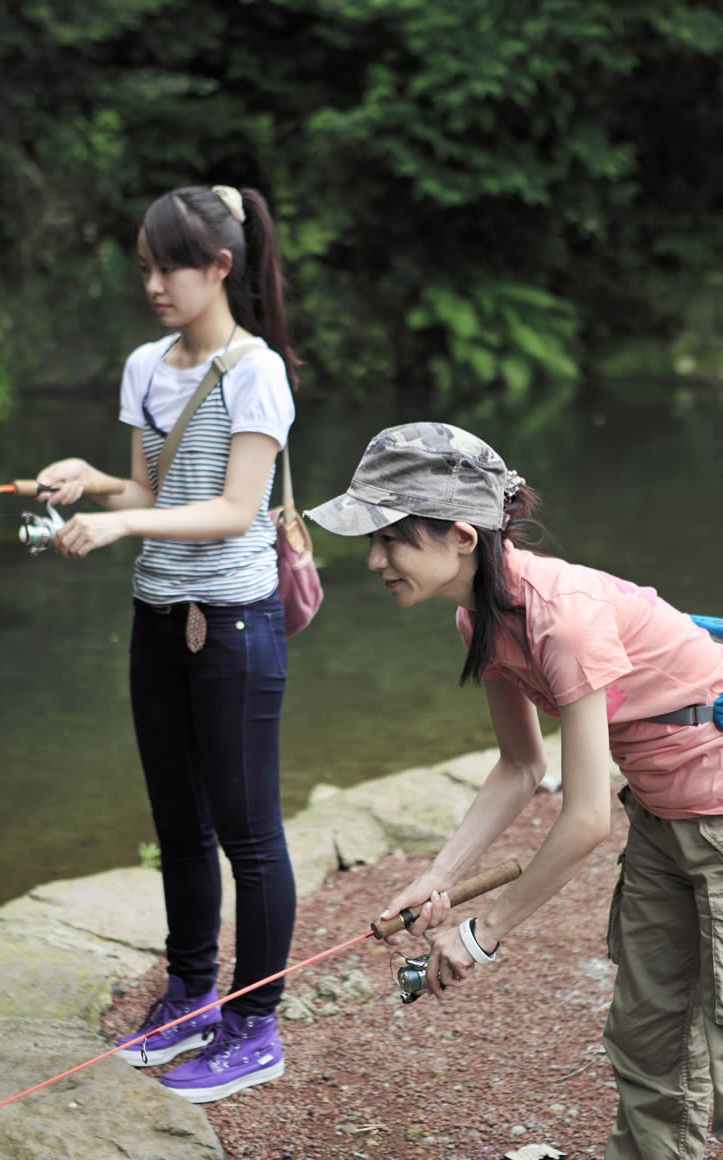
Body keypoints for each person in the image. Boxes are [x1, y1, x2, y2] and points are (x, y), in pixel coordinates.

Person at [305, 421, 723, 1160]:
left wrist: (482, 932)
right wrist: (437, 877)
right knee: (645, 1034)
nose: (372, 560)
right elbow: (520, 765)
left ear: (460, 536)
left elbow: (587, 817)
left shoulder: (563, 620)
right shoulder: (482, 617)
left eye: (390, 538)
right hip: (661, 818)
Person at [36, 184, 298, 1103]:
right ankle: (189, 994)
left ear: (220, 267)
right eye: (144, 267)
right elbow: (147, 492)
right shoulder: (146, 364)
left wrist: (117, 530)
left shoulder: (257, 369)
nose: (152, 284)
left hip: (234, 625)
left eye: (169, 267)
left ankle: (254, 1026)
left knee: (249, 833)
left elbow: (233, 511)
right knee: (177, 825)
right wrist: (92, 483)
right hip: (158, 619)